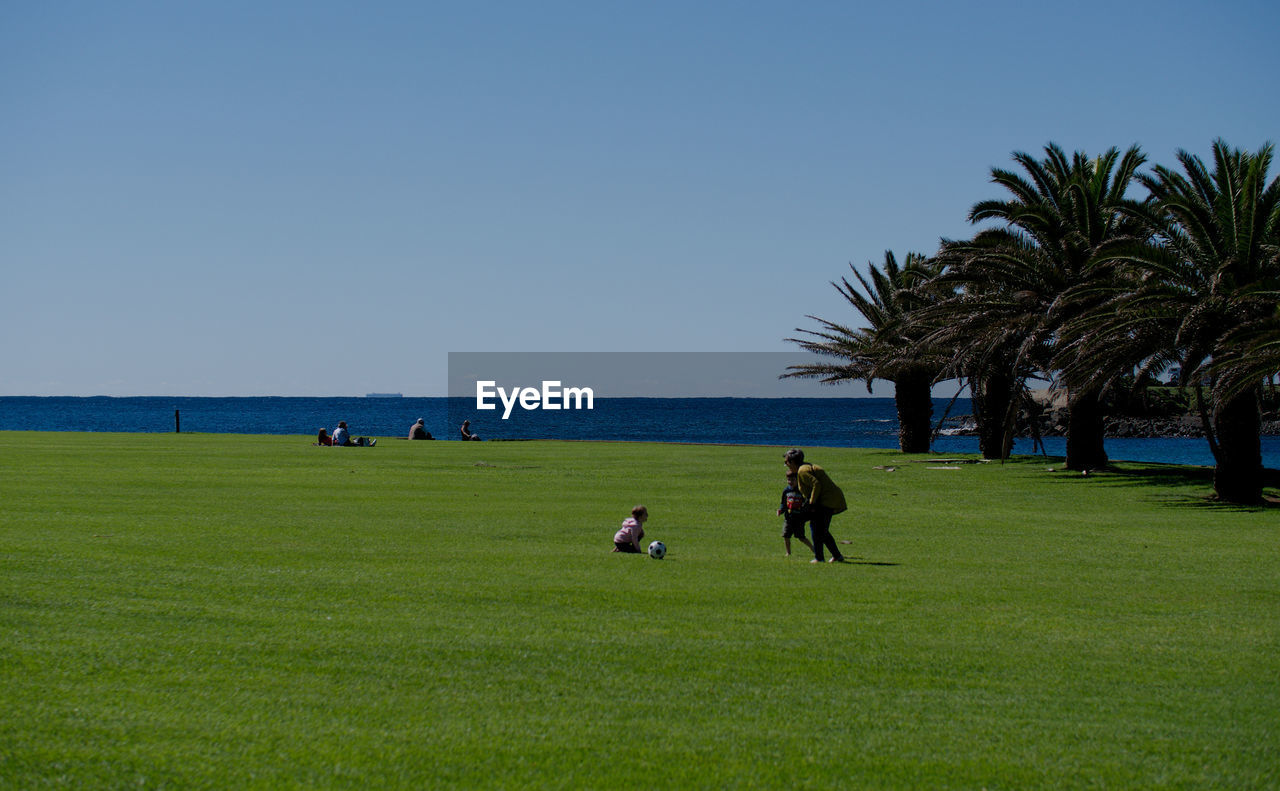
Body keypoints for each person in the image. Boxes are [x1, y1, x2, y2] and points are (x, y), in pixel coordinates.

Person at [783, 448, 846, 563]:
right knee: (822, 530)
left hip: (826, 502)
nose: (786, 465)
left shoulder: (802, 471)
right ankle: (837, 556)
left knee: (817, 529)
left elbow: (816, 484)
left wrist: (811, 502)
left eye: (786, 462)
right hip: (829, 500)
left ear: (792, 462)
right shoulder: (805, 467)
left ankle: (819, 558)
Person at [777, 470, 816, 558]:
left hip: (799, 518)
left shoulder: (801, 490)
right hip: (788, 518)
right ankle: (788, 552)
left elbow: (807, 502)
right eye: (788, 480)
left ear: (797, 480)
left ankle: (813, 549)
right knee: (786, 536)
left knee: (801, 537)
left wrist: (806, 512)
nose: (790, 482)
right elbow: (783, 503)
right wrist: (780, 510)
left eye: (793, 480)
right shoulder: (786, 491)